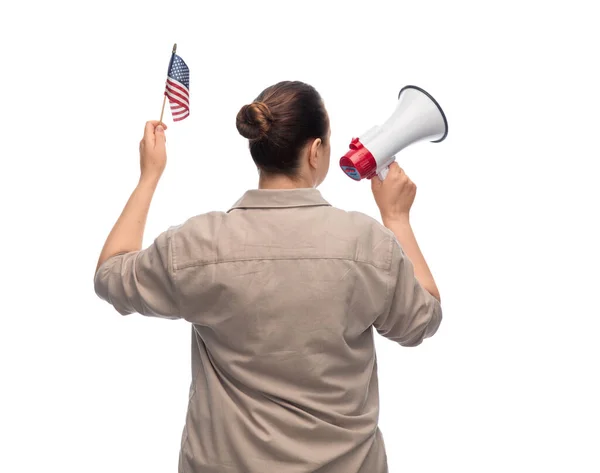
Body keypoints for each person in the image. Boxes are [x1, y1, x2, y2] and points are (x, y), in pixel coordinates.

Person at [94, 80, 442, 473]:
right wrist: (397, 218)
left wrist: (149, 176)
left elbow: (110, 275)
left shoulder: (199, 243)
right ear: (316, 152)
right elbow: (421, 321)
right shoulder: (367, 244)